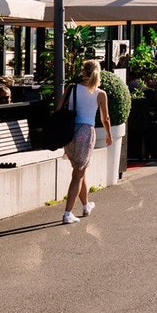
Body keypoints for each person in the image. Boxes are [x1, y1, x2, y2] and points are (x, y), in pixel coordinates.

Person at [61, 60, 112, 225]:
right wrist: (109, 134)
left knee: (79, 171)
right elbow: (106, 118)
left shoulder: (71, 87)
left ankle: (85, 205)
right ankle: (67, 213)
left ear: (83, 71)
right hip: (86, 132)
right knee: (78, 174)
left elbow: (58, 108)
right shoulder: (100, 93)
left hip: (69, 132)